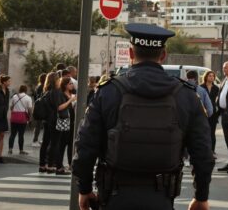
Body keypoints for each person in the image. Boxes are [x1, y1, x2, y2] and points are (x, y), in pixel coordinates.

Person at [73, 23, 214, 210]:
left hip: (115, 198)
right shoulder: (186, 96)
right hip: (161, 199)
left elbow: (85, 147)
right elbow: (203, 153)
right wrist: (201, 197)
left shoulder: (108, 92)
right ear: (163, 55)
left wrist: (84, 189)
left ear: (131, 54)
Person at [50, 76, 76, 175]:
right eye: (70, 83)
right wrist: (70, 100)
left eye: (72, 83)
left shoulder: (72, 94)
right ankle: (59, 167)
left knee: (70, 144)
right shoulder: (61, 94)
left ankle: (69, 164)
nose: (72, 85)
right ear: (65, 85)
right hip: (64, 122)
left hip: (71, 122)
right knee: (61, 145)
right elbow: (59, 107)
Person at [38, 71, 59, 173]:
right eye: (58, 79)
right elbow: (57, 107)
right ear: (55, 80)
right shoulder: (55, 92)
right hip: (54, 120)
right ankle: (50, 165)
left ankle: (42, 165)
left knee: (45, 142)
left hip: (46, 120)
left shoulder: (45, 91)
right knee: (54, 143)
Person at [8, 85, 33, 155]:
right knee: (21, 135)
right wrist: (30, 117)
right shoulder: (28, 98)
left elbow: (11, 107)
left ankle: (10, 149)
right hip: (22, 118)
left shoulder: (14, 96)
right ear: (26, 90)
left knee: (12, 134)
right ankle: (21, 150)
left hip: (14, 117)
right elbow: (30, 109)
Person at [201, 71, 220, 157]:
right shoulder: (201, 87)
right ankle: (204, 150)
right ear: (206, 77)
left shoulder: (216, 88)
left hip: (213, 114)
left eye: (213, 76)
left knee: (212, 133)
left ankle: (212, 151)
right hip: (202, 113)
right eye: (210, 76)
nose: (211, 77)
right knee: (203, 132)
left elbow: (218, 101)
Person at [31, 73, 47, 147]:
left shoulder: (38, 86)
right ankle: (35, 140)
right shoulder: (42, 86)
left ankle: (36, 139)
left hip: (38, 107)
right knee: (39, 125)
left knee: (38, 125)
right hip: (41, 108)